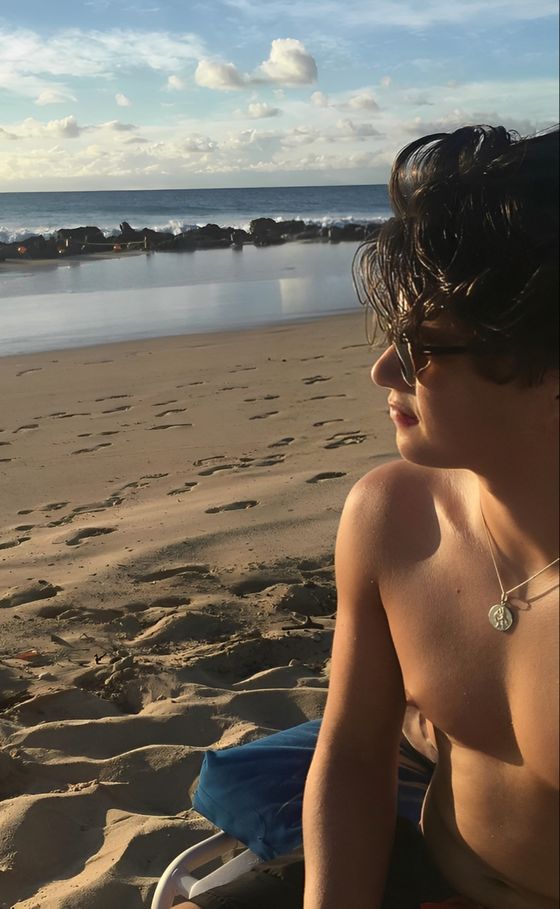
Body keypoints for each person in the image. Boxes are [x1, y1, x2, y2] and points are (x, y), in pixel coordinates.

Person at [176, 124, 559, 909]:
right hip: (425, 867)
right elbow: (352, 757)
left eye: (423, 348)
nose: (383, 368)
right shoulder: (393, 517)